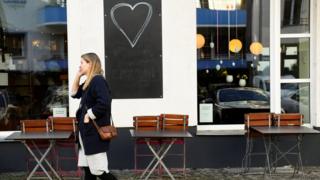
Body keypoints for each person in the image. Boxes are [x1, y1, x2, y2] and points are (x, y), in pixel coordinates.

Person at [71, 52, 117, 180]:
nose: (79, 65)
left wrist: (89, 115)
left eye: (82, 62)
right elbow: (74, 93)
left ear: (90, 63)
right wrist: (78, 75)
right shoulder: (90, 81)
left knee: (99, 171)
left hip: (94, 134)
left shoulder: (98, 80)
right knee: (89, 171)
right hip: (86, 133)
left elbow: (105, 102)